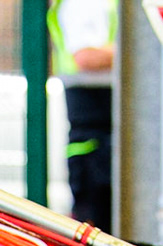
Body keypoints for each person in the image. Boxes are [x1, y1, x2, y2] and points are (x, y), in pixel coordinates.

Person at [50, 0, 115, 228]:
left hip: (101, 138)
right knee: (100, 239)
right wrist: (141, 50)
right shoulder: (85, 3)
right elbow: (86, 57)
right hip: (96, 140)